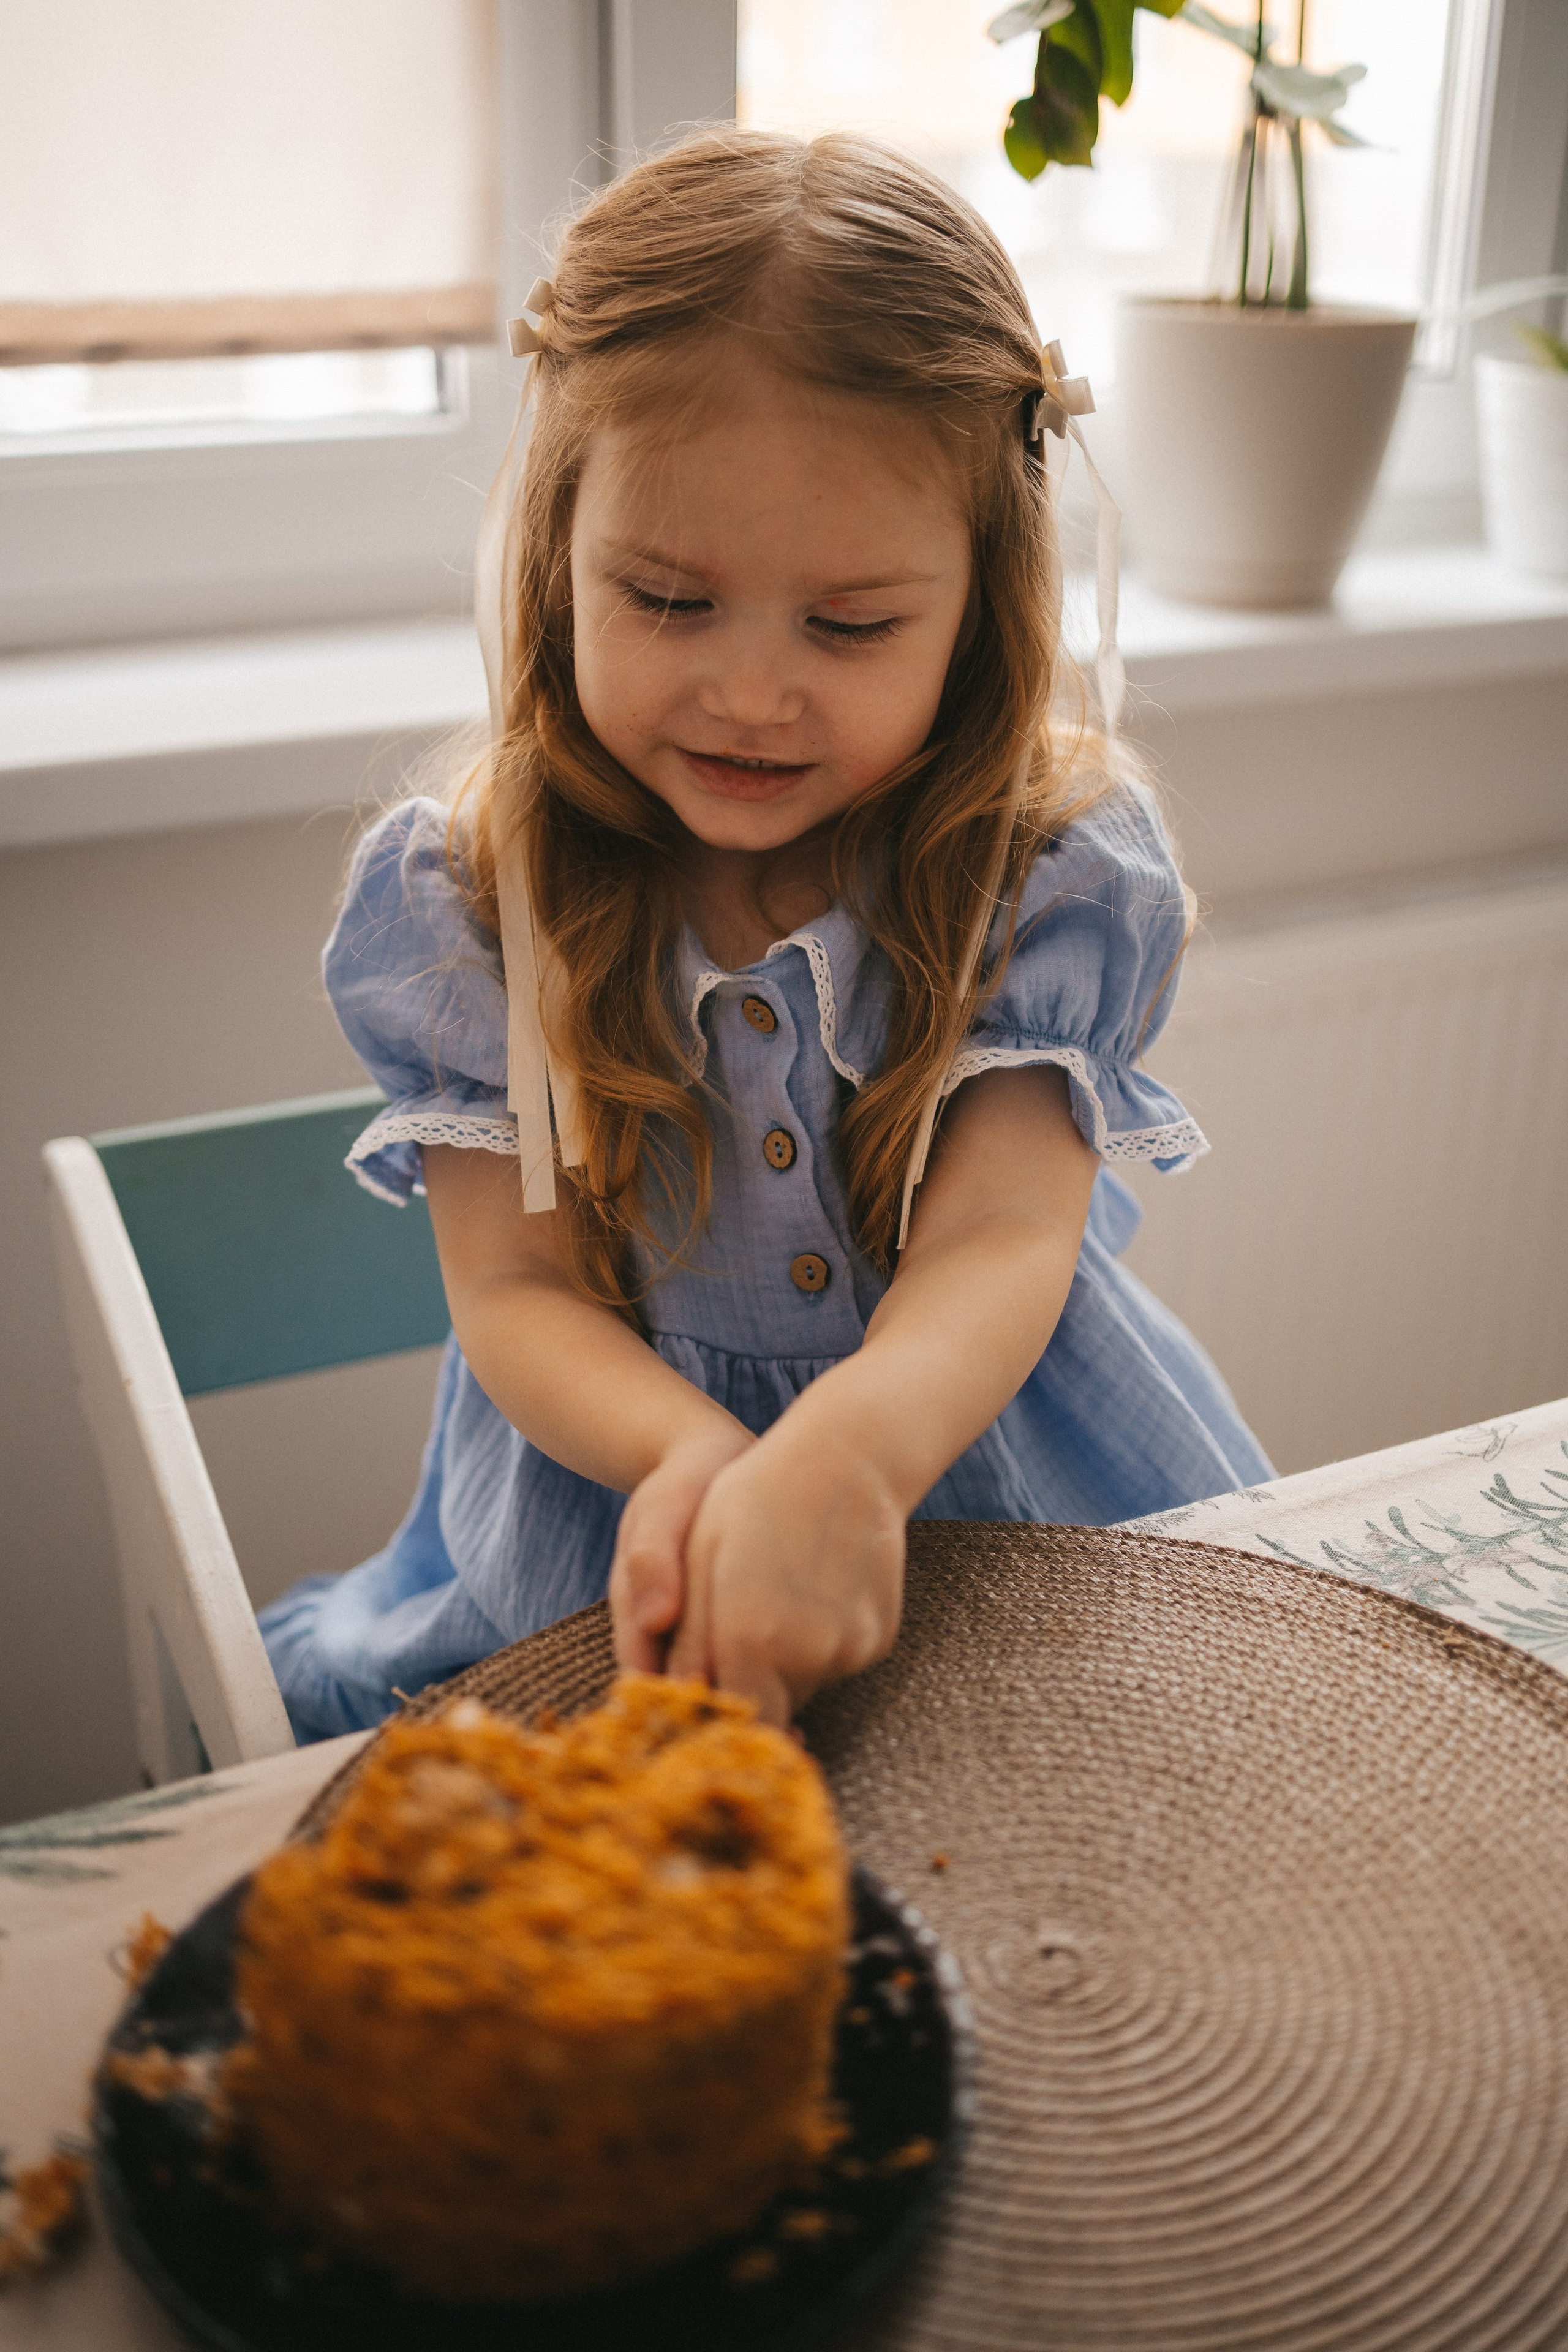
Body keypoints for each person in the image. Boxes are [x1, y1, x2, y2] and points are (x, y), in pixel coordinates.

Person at [260, 128, 1272, 1742]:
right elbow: (516, 1288)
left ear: (976, 601)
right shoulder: (472, 902)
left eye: (851, 624)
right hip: (614, 1525)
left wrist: (850, 1455)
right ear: (557, 561)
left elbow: (1007, 1238)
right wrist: (696, 1462)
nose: (749, 689)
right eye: (667, 599)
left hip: (998, 1495)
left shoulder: (1038, 872)